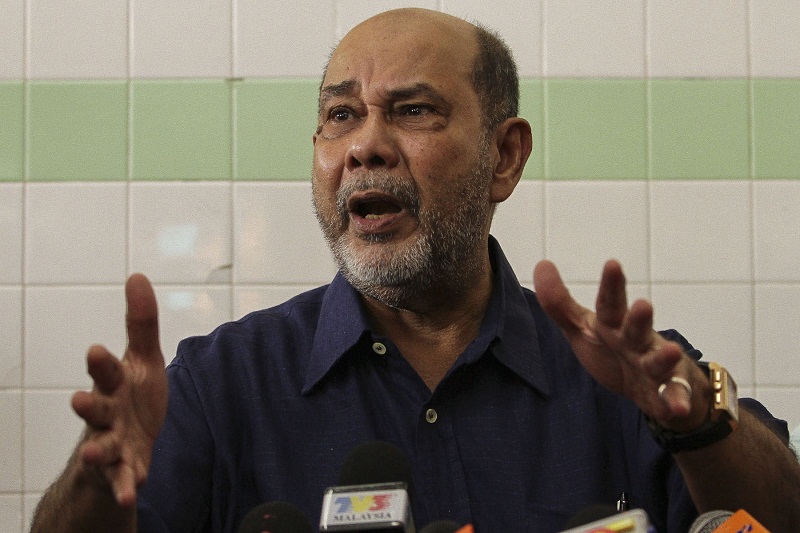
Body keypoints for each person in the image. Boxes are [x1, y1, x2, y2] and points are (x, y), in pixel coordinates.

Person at [30, 8, 800, 533]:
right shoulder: (219, 383)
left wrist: (702, 424)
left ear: (504, 155)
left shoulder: (627, 377)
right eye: (341, 115)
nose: (364, 144)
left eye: (413, 110)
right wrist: (97, 479)